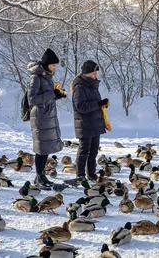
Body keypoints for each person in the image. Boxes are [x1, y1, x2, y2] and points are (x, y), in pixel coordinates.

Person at [27, 48, 66, 189]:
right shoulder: (36, 77)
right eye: (53, 65)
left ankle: (42, 175)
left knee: (46, 148)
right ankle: (38, 177)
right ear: (46, 64)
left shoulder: (46, 77)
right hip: (40, 117)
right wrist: (52, 94)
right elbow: (32, 99)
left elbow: (47, 96)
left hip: (48, 116)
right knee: (41, 149)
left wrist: (57, 95)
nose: (55, 68)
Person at [71, 60, 109, 181]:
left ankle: (91, 173)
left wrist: (103, 105)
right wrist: (98, 104)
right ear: (86, 74)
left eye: (96, 73)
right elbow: (80, 106)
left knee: (94, 150)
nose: (95, 76)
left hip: (95, 123)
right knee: (84, 150)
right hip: (85, 123)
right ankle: (80, 174)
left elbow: (94, 104)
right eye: (93, 73)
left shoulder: (93, 85)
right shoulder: (80, 87)